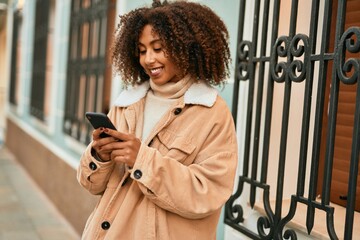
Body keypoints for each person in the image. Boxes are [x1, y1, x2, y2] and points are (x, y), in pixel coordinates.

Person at [77, 0, 238, 239]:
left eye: (158, 48)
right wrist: (99, 156)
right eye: (142, 51)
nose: (148, 59)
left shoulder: (212, 112)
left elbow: (207, 193)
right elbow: (91, 185)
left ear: (185, 47)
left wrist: (141, 159)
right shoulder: (126, 104)